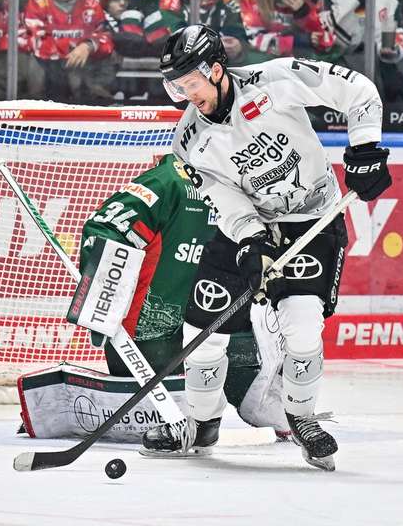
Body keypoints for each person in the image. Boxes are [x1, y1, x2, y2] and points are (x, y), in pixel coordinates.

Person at [157, 24, 391, 470]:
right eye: (178, 87)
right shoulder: (188, 142)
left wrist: (365, 150)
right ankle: (202, 421)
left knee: (302, 324)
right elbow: (222, 196)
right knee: (202, 326)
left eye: (191, 83)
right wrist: (250, 239)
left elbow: (358, 90)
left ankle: (300, 418)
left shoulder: (275, 80)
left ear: (217, 69)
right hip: (249, 227)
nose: (188, 96)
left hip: (312, 218)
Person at [77, 153, 291, 452]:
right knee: (162, 412)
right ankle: (201, 423)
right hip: (153, 335)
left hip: (223, 320)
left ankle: (294, 416)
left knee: (262, 397)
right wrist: (103, 297)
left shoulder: (254, 182)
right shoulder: (168, 183)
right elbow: (104, 230)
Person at [22, 0, 113, 103]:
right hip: (47, 70)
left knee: (105, 55)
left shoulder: (90, 2)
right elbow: (34, 41)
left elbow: (106, 37)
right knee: (32, 59)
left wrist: (88, 46)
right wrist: (74, 47)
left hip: (80, 70)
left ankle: (93, 106)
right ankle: (34, 107)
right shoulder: (38, 0)